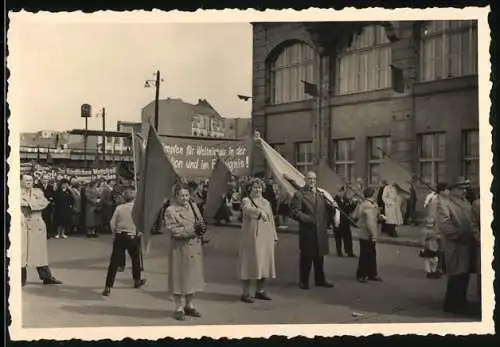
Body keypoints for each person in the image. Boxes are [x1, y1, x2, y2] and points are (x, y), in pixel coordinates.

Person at [436, 178, 478, 317]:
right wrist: (459, 235)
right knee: (456, 275)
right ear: (452, 189)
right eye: (460, 188)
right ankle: (452, 304)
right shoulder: (444, 203)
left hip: (467, 244)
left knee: (464, 274)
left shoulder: (466, 202)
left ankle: (461, 301)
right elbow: (444, 225)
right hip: (455, 244)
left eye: (465, 189)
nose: (464, 191)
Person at [164, 184, 206, 321]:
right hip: (180, 249)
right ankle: (178, 307)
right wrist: (192, 230)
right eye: (182, 195)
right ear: (176, 196)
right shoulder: (171, 210)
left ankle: (189, 305)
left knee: (192, 277)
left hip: (194, 247)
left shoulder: (193, 207)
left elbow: (200, 223)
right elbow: (174, 230)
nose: (185, 198)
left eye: (187, 195)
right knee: (179, 278)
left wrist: (201, 229)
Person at [290, 171, 334, 290]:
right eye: (309, 179)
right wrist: (308, 219)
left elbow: (325, 211)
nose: (312, 181)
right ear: (305, 180)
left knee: (319, 257)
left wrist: (332, 208)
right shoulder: (299, 195)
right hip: (308, 231)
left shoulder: (321, 194)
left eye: (314, 179)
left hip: (320, 231)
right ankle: (303, 281)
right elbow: (295, 212)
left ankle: (320, 280)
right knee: (307, 257)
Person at [238, 178, 278, 303]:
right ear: (250, 188)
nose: (257, 190)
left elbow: (271, 220)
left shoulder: (266, 202)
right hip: (251, 238)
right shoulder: (246, 200)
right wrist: (259, 212)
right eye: (255, 187)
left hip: (266, 238)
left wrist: (275, 236)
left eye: (259, 187)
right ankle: (245, 293)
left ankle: (260, 290)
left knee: (264, 264)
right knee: (249, 264)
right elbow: (247, 210)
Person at [102, 188, 146, 296]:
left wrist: (114, 233)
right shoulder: (137, 209)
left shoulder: (119, 208)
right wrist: (140, 232)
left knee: (114, 262)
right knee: (135, 259)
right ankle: (137, 280)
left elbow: (112, 222)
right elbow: (141, 222)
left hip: (120, 235)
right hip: (132, 235)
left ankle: (108, 286)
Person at [21, 174, 62, 286]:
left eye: (30, 180)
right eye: (26, 180)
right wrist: (32, 204)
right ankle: (21, 279)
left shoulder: (38, 191)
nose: (29, 182)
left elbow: (44, 203)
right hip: (23, 225)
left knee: (40, 253)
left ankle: (47, 277)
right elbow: (17, 203)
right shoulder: (17, 192)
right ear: (21, 181)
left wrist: (28, 205)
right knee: (21, 254)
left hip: (36, 224)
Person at [352, 187, 382, 283]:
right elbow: (370, 222)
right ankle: (362, 274)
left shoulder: (364, 204)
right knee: (367, 255)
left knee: (370, 254)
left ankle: (370, 273)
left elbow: (354, 216)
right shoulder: (369, 206)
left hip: (363, 233)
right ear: (372, 195)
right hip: (368, 233)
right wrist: (374, 235)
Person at [333, 186, 357, 258]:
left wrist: (354, 204)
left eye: (343, 192)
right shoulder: (334, 200)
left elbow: (349, 210)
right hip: (337, 221)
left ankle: (349, 252)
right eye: (341, 192)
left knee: (348, 238)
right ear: (338, 192)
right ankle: (339, 252)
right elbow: (331, 211)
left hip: (345, 222)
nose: (342, 193)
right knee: (338, 238)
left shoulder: (346, 200)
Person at [470, 194, 481, 303]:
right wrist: (479, 239)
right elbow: (473, 224)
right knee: (482, 272)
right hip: (484, 243)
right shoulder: (478, 204)